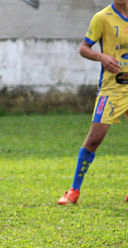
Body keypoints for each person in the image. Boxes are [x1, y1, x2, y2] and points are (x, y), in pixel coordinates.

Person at [58, 0, 128, 205]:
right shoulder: (102, 17)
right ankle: (74, 190)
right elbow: (84, 48)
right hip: (112, 88)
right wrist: (102, 57)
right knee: (95, 137)